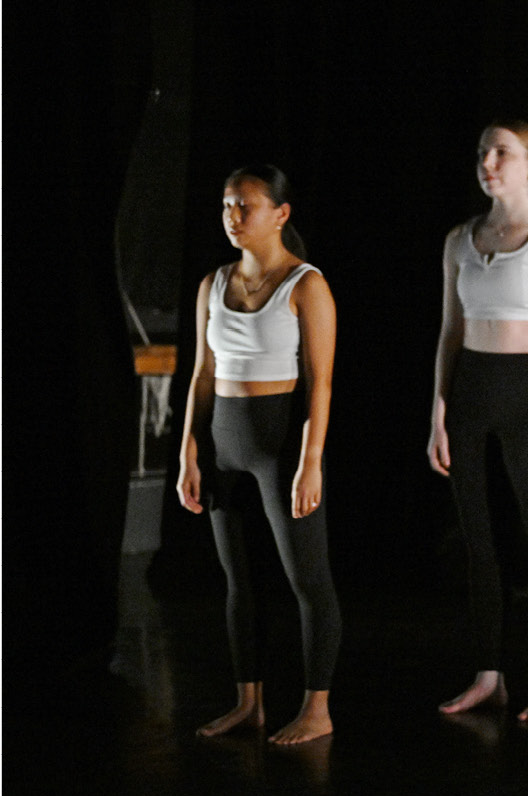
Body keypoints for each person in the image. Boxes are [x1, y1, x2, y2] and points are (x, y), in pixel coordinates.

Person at [429, 121, 528, 723]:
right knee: (478, 545)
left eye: (502, 152)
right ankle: (488, 675)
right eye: (482, 152)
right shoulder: (460, 240)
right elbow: (449, 333)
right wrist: (438, 416)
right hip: (470, 395)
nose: (488, 162)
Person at [177, 164, 342, 745]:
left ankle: (316, 708)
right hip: (224, 443)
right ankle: (250, 703)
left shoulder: (306, 286)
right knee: (237, 582)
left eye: (245, 206)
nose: (233, 216)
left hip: (279, 444)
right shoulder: (213, 284)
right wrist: (188, 455)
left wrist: (311, 459)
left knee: (307, 581)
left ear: (281, 213)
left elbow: (320, 383)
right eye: (226, 205)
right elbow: (200, 375)